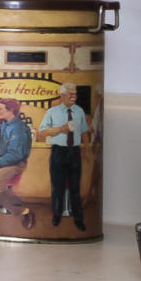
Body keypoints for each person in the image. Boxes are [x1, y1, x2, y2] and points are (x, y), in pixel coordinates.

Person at [38, 84, 94, 231]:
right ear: (62, 95)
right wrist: (60, 130)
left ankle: (78, 219)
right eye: (70, 94)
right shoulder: (52, 112)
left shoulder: (79, 111)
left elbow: (84, 131)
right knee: (58, 187)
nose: (74, 96)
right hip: (58, 152)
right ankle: (56, 216)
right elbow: (42, 132)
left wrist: (87, 150)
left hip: (74, 152)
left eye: (75, 93)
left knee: (75, 188)